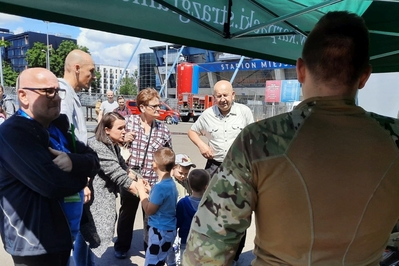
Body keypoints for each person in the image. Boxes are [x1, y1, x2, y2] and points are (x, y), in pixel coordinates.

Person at [184, 11, 399, 265]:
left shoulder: (259, 141)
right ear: (364, 76)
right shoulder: (393, 139)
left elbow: (206, 251)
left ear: (299, 70)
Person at [0, 67, 99, 266]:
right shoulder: (12, 133)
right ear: (23, 96)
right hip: (34, 242)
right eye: (48, 92)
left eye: (57, 91)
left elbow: (94, 159)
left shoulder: (58, 126)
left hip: (62, 236)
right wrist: (82, 178)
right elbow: (51, 184)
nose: (56, 98)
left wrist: (73, 162)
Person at [187, 79, 254, 264]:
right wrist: (201, 145)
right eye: (219, 96)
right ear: (214, 97)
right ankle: (216, 251)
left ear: (233, 95)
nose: (223, 99)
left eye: (226, 95)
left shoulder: (244, 112)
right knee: (212, 212)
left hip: (240, 168)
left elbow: (253, 135)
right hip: (215, 166)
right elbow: (192, 132)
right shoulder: (208, 114)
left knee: (239, 213)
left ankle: (234, 255)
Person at [114, 88, 172, 259]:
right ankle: (122, 246)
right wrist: (122, 138)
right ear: (142, 107)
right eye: (154, 106)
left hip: (152, 181)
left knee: (150, 217)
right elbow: (109, 139)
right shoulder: (128, 122)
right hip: (130, 178)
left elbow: (169, 154)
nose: (158, 109)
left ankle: (150, 247)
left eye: (158, 105)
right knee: (127, 213)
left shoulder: (163, 129)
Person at [79, 112, 142, 263]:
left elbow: (124, 168)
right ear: (107, 129)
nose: (124, 131)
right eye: (120, 128)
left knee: (90, 239)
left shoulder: (112, 145)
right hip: (92, 201)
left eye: (125, 127)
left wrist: (141, 180)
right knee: (86, 239)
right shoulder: (97, 146)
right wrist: (143, 192)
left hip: (100, 199)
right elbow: (117, 174)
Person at [136, 147, 178, 266]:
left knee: (152, 262)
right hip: (169, 229)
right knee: (165, 259)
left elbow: (149, 210)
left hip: (160, 231)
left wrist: (141, 192)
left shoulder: (160, 187)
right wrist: (151, 190)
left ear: (154, 165)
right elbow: (163, 201)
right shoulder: (170, 184)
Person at [59, 49, 96, 144]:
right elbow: (62, 134)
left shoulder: (69, 93)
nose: (94, 76)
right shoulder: (63, 93)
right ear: (77, 69)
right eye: (91, 71)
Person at [166, 154, 197, 266]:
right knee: (173, 243)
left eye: (186, 173)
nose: (183, 176)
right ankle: (172, 261)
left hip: (184, 217)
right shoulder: (170, 182)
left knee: (182, 241)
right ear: (173, 168)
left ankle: (180, 260)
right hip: (173, 217)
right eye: (180, 172)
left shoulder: (187, 182)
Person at [176, 169, 209, 266]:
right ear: (206, 186)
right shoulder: (209, 203)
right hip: (204, 243)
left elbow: (177, 223)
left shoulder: (182, 203)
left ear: (189, 184)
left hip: (186, 242)